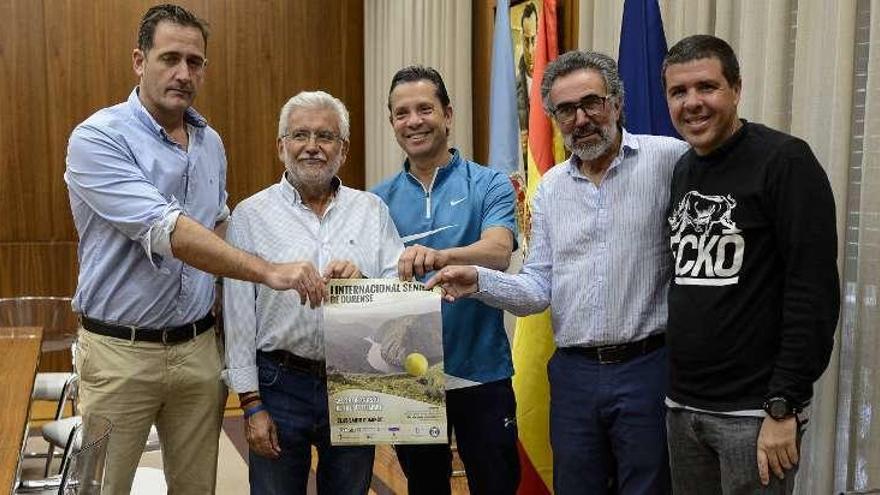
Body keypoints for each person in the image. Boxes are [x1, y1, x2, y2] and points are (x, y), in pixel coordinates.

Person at [64, 4, 323, 493]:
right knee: (104, 486)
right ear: (139, 61)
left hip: (199, 351)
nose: (183, 73)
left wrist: (302, 259)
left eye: (195, 62)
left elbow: (217, 224)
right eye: (170, 58)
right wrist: (269, 271)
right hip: (121, 352)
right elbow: (169, 232)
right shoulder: (98, 138)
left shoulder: (211, 143)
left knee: (196, 487)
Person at [425, 51, 688, 495]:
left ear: (617, 103)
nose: (581, 118)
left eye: (592, 103)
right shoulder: (550, 189)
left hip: (647, 368)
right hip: (574, 375)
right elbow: (538, 288)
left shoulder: (670, 161)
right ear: (553, 118)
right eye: (566, 109)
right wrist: (479, 280)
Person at [660, 34, 840, 494]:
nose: (692, 103)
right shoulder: (684, 167)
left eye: (707, 87)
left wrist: (784, 405)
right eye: (679, 92)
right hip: (683, 407)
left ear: (736, 89)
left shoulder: (785, 161)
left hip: (755, 414)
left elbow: (813, 292)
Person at [223, 90, 403, 495]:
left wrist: (363, 285)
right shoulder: (251, 215)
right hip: (279, 381)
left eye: (326, 137)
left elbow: (400, 291)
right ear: (281, 146)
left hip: (357, 379)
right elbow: (237, 317)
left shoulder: (371, 210)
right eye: (300, 135)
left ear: (344, 150)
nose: (312, 147)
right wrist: (251, 404)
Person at [371, 65, 520, 494]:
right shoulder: (376, 200)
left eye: (424, 109)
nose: (413, 121)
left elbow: (498, 250)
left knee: (497, 486)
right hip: (412, 377)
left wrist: (439, 256)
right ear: (392, 123)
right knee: (425, 488)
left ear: (448, 114)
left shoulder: (490, 183)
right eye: (402, 113)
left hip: (482, 371)